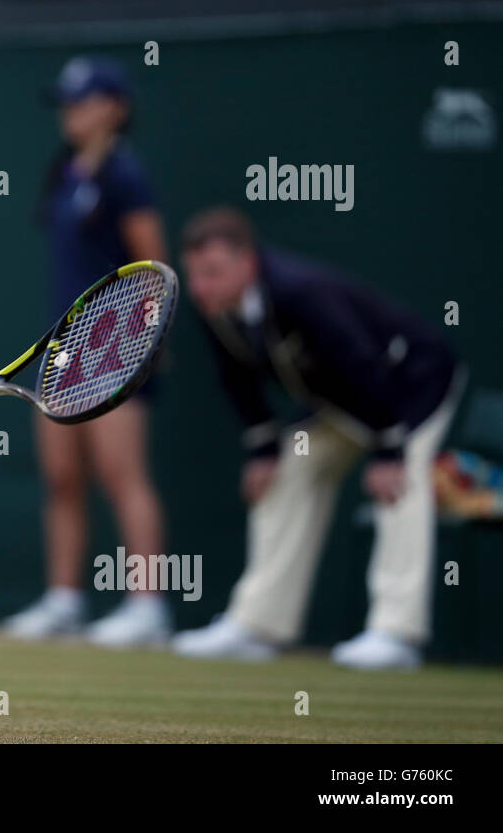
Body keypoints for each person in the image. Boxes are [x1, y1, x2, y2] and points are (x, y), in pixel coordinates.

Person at [173, 206, 466, 670]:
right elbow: (237, 380)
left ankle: (397, 635)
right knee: (286, 477)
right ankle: (258, 626)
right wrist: (264, 449)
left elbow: (362, 365)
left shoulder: (300, 293)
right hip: (338, 401)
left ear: (246, 263)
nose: (201, 287)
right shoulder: (212, 307)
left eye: (213, 272)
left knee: (400, 486)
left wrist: (391, 448)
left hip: (409, 384)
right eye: (195, 274)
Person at [1, 56, 172, 647]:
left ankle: (147, 609)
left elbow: (152, 268)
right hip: (63, 354)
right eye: (67, 103)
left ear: (115, 109)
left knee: (121, 475)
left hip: (119, 352)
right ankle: (65, 601)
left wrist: (142, 346)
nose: (71, 113)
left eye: (84, 101)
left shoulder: (126, 175)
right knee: (61, 477)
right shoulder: (68, 172)